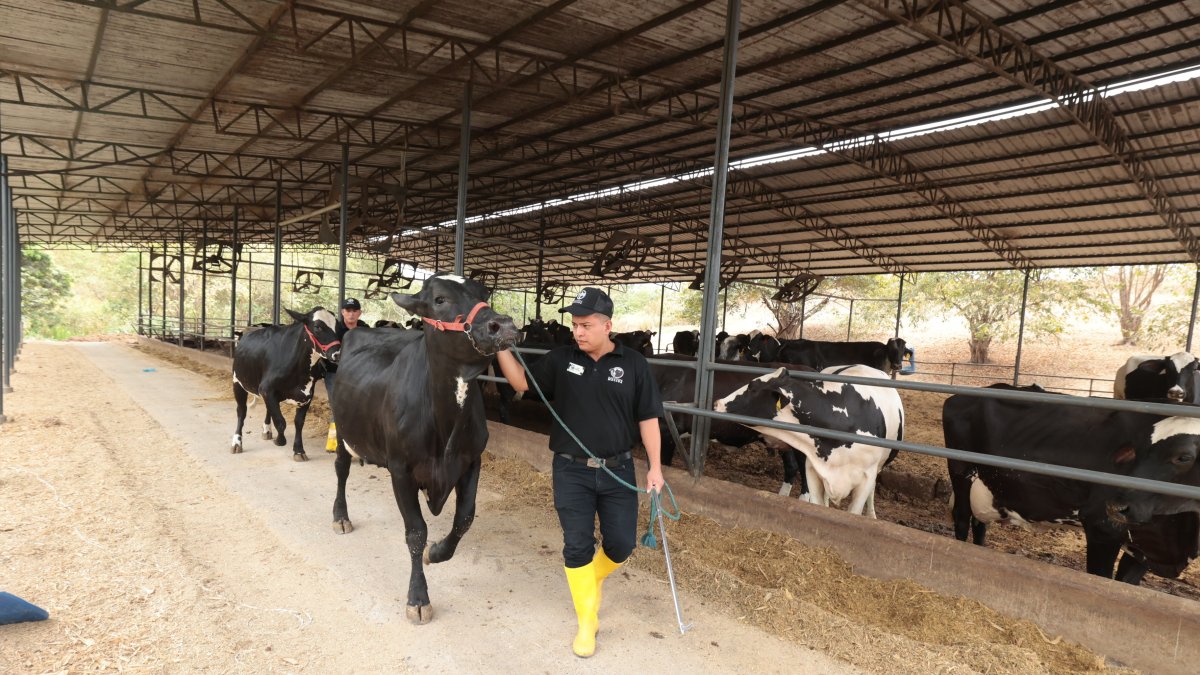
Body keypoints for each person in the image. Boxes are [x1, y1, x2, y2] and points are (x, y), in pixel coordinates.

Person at [496, 287, 664, 658]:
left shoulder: (633, 363)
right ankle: (587, 621)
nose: (578, 332)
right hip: (571, 470)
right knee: (577, 545)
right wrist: (500, 346)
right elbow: (522, 383)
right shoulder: (561, 359)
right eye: (574, 324)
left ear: (608, 326)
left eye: (586, 325)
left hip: (618, 468)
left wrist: (655, 468)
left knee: (622, 545)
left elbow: (648, 417)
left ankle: (593, 577)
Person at [324, 297, 363, 451]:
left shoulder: (365, 329)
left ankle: (356, 442)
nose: (351, 314)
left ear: (360, 313)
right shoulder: (335, 330)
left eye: (354, 311)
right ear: (342, 312)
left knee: (358, 407)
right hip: (336, 373)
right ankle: (334, 444)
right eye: (348, 311)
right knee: (337, 406)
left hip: (359, 374)